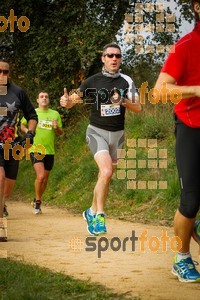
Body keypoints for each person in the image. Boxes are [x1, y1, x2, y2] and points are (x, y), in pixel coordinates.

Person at [60, 43, 141, 236]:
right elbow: (72, 101)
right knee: (106, 172)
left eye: (118, 56)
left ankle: (91, 211)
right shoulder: (92, 81)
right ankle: (99, 218)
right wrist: (66, 102)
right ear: (103, 59)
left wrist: (122, 101)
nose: (114, 59)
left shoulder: (126, 81)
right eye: (110, 55)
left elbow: (138, 107)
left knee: (103, 176)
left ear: (121, 59)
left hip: (118, 135)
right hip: (96, 132)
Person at [154, 1, 200, 282]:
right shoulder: (185, 46)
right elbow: (159, 91)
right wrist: (196, 89)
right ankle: (181, 258)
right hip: (191, 127)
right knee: (191, 199)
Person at [0, 59, 38, 242]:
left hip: (12, 146)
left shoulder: (18, 92)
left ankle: (2, 204)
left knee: (7, 188)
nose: (2, 75)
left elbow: (32, 115)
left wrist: (30, 132)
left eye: (5, 72)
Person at [21, 91, 62, 214]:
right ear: (37, 100)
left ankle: (36, 198)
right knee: (40, 176)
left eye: (46, 96)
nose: (44, 98)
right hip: (36, 148)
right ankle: (38, 202)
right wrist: (28, 130)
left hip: (49, 150)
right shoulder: (32, 113)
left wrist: (56, 128)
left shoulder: (55, 114)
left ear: (49, 100)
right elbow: (22, 125)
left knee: (45, 179)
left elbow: (60, 132)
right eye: (41, 97)